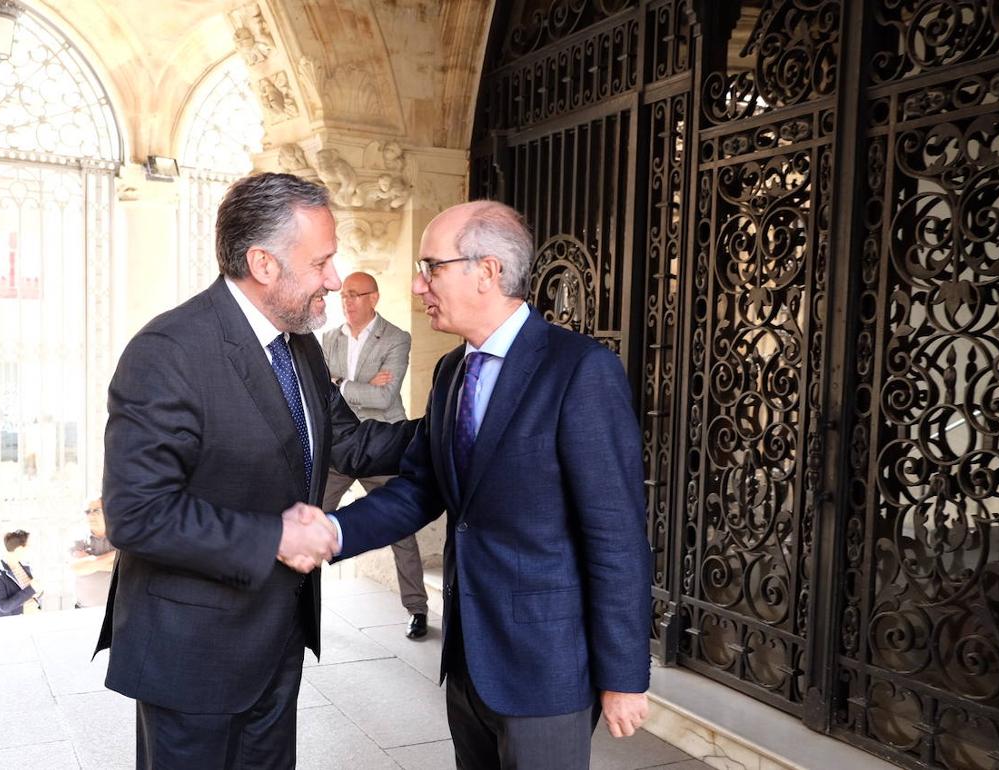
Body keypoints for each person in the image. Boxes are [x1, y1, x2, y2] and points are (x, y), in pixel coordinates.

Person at [96, 172, 416, 769]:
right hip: (192, 656)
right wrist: (277, 536)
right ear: (263, 264)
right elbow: (137, 515)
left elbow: (345, 439)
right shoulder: (169, 352)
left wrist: (456, 429)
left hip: (276, 641)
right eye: (321, 260)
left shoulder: (299, 345)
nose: (335, 278)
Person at [323, 201, 653, 769]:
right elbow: (422, 488)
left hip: (546, 671)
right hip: (469, 661)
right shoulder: (453, 371)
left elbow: (616, 536)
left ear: (488, 271)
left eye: (431, 266)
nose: (417, 282)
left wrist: (624, 676)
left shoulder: (579, 370)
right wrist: (330, 532)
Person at [321, 271, 429, 640]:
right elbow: (322, 393)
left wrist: (341, 385)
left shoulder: (397, 338)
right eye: (344, 295)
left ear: (374, 298)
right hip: (340, 446)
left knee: (402, 528)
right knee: (311, 519)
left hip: (382, 445)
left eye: (355, 294)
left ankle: (416, 608)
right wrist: (350, 386)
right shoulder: (329, 338)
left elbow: (384, 398)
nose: (347, 301)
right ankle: (292, 605)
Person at [68, 498, 115, 608]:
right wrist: (116, 555)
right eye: (88, 511)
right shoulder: (78, 539)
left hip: (115, 610)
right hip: (84, 610)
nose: (91, 515)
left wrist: (90, 562)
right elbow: (76, 568)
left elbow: (126, 567)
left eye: (96, 511)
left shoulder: (119, 538)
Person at [0, 529, 43, 617]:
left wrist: (39, 592)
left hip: (34, 618)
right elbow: (4, 607)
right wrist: (31, 589)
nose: (29, 549)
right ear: (19, 549)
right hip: (15, 626)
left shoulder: (25, 566)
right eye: (28, 546)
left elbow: (32, 592)